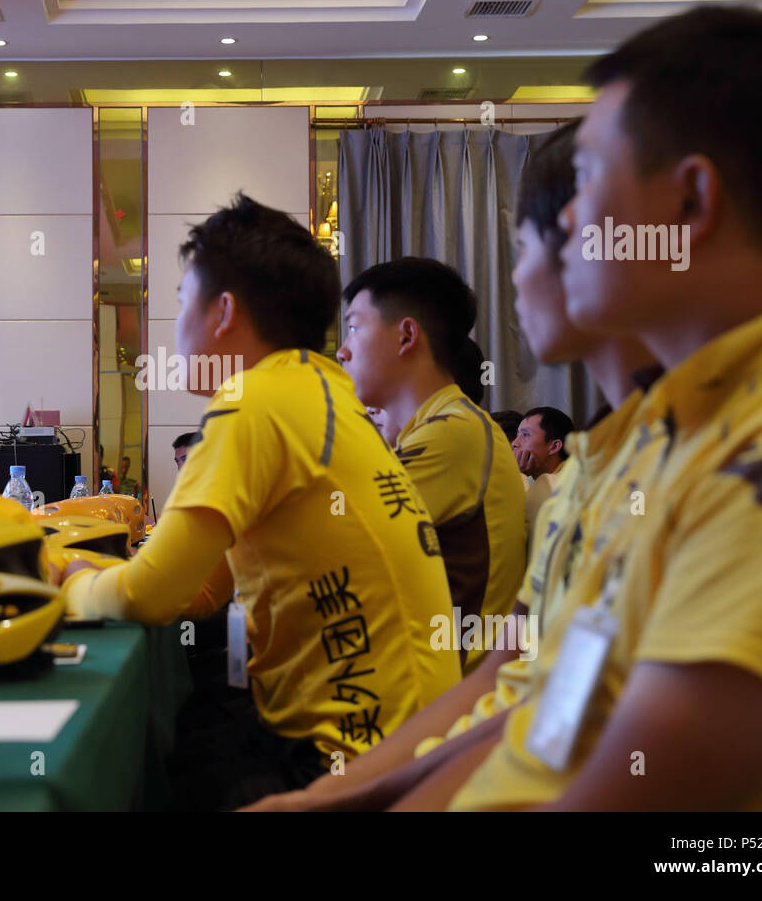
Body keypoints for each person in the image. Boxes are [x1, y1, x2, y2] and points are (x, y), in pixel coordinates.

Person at [444, 5, 762, 811]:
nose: (563, 224)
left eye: (585, 179)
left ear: (692, 201)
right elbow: (536, 711)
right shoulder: (672, 425)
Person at [243, 122, 661, 812]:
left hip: (426, 703)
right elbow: (521, 687)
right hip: (461, 728)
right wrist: (335, 797)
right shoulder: (599, 463)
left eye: (526, 244)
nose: (517, 275)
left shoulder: (460, 434)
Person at [57, 193, 460, 810]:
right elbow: (204, 589)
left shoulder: (254, 401)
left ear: (222, 312)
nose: (173, 325)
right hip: (410, 741)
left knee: (180, 757)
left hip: (353, 761)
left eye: (178, 302)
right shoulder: (318, 389)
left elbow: (151, 595)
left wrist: (68, 581)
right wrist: (111, 571)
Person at [338, 257, 527, 672]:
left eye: (353, 327)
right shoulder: (440, 426)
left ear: (406, 335)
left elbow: (331, 548)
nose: (341, 349)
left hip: (451, 695)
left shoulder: (451, 432)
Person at [516, 406, 575, 527]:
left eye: (525, 435)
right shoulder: (531, 480)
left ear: (553, 446)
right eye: (517, 435)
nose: (515, 443)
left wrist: (516, 477)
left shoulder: (571, 484)